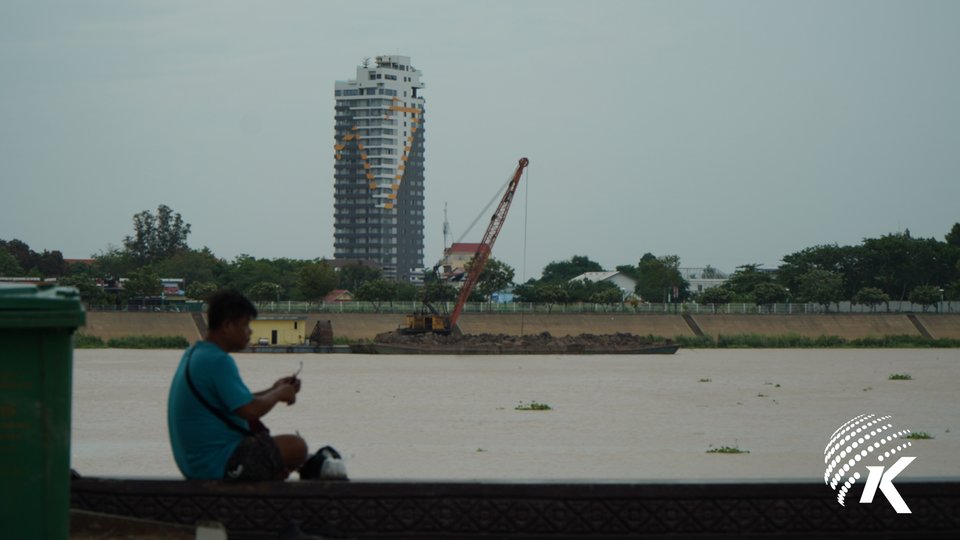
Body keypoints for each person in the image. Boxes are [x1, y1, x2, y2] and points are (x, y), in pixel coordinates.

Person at [167, 289, 307, 481]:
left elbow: (236, 402)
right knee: (297, 447)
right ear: (227, 326)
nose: (249, 332)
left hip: (197, 464)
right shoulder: (218, 360)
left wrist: (273, 389)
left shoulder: (196, 353)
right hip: (217, 464)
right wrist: (278, 395)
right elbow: (249, 410)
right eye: (245, 324)